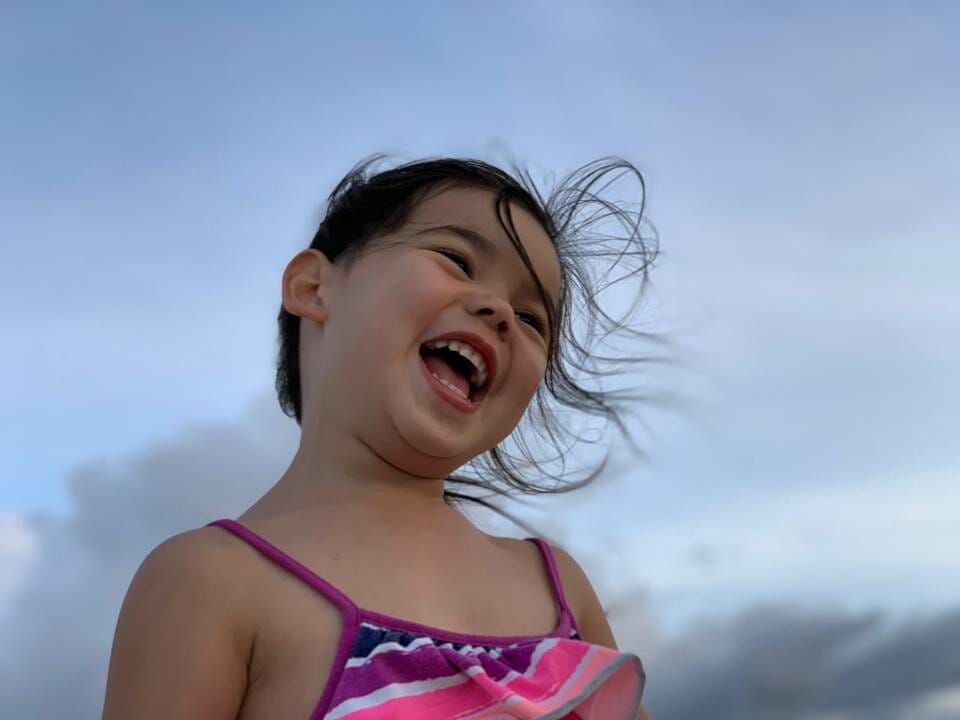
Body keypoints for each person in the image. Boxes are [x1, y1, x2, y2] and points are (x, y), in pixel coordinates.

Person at [102, 155, 659, 719]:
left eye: (533, 319)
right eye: (457, 260)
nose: (500, 314)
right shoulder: (209, 580)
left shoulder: (559, 585)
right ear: (313, 287)